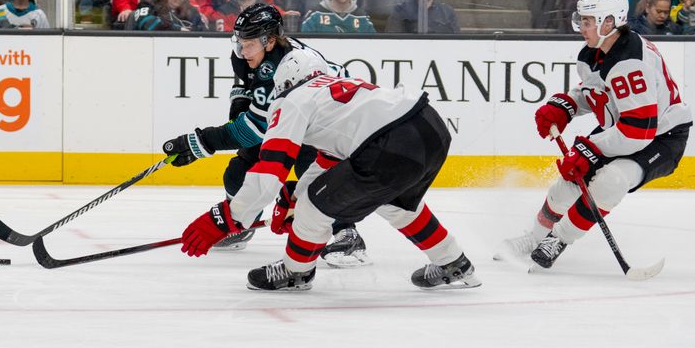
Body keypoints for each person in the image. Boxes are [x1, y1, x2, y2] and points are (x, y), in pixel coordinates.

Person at [164, 48, 481, 291]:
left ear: (285, 83)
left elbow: (269, 170)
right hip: (430, 127)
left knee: (317, 205)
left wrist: (229, 216)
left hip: (389, 142)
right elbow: (328, 159)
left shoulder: (293, 99)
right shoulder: (340, 88)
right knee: (397, 204)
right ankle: (455, 262)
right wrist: (293, 197)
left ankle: (296, 271)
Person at [498, 0, 692, 269]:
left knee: (610, 182)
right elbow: (598, 93)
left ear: (609, 22)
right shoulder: (594, 53)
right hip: (622, 130)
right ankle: (535, 237)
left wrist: (589, 148)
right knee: (566, 186)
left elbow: (639, 132)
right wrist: (567, 106)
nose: (582, 27)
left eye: (588, 21)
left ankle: (559, 239)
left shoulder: (630, 63)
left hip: (663, 137)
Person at [162, 4, 371, 265]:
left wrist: (201, 142)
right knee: (238, 173)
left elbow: (252, 130)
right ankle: (241, 222)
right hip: (288, 115)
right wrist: (239, 101)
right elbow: (245, 84)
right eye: (239, 42)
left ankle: (347, 233)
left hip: (322, 121)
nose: (241, 50)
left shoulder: (281, 67)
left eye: (248, 44)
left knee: (316, 177)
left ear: (270, 41)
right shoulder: (251, 54)